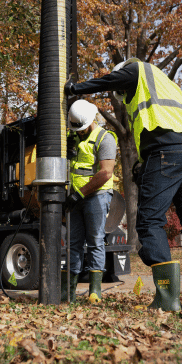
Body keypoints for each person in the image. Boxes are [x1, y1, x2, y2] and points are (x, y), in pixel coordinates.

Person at [65, 58, 182, 311]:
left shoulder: (138, 70)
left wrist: (75, 89)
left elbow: (110, 80)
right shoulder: (169, 86)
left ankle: (167, 299)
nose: (122, 94)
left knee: (149, 221)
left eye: (122, 90)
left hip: (167, 152)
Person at [62, 99, 117, 303]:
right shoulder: (73, 137)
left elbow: (105, 173)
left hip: (96, 195)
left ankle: (95, 292)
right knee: (73, 243)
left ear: (91, 120)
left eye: (82, 129)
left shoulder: (105, 138)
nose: (79, 132)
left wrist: (79, 194)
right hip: (75, 196)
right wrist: (65, 153)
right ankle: (68, 292)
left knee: (95, 241)